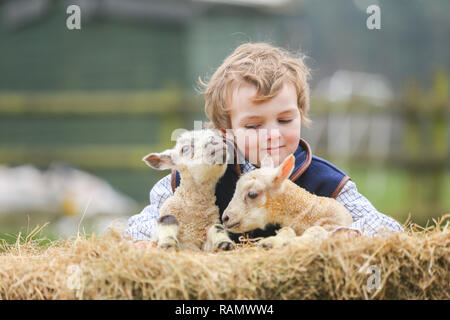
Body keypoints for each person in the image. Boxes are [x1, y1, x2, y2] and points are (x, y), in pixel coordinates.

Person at [126, 42, 403, 243]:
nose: (272, 134)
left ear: (301, 115)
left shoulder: (325, 181)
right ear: (226, 131)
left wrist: (334, 239)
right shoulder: (195, 179)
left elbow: (388, 228)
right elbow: (140, 226)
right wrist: (148, 243)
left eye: (284, 120)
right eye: (254, 125)